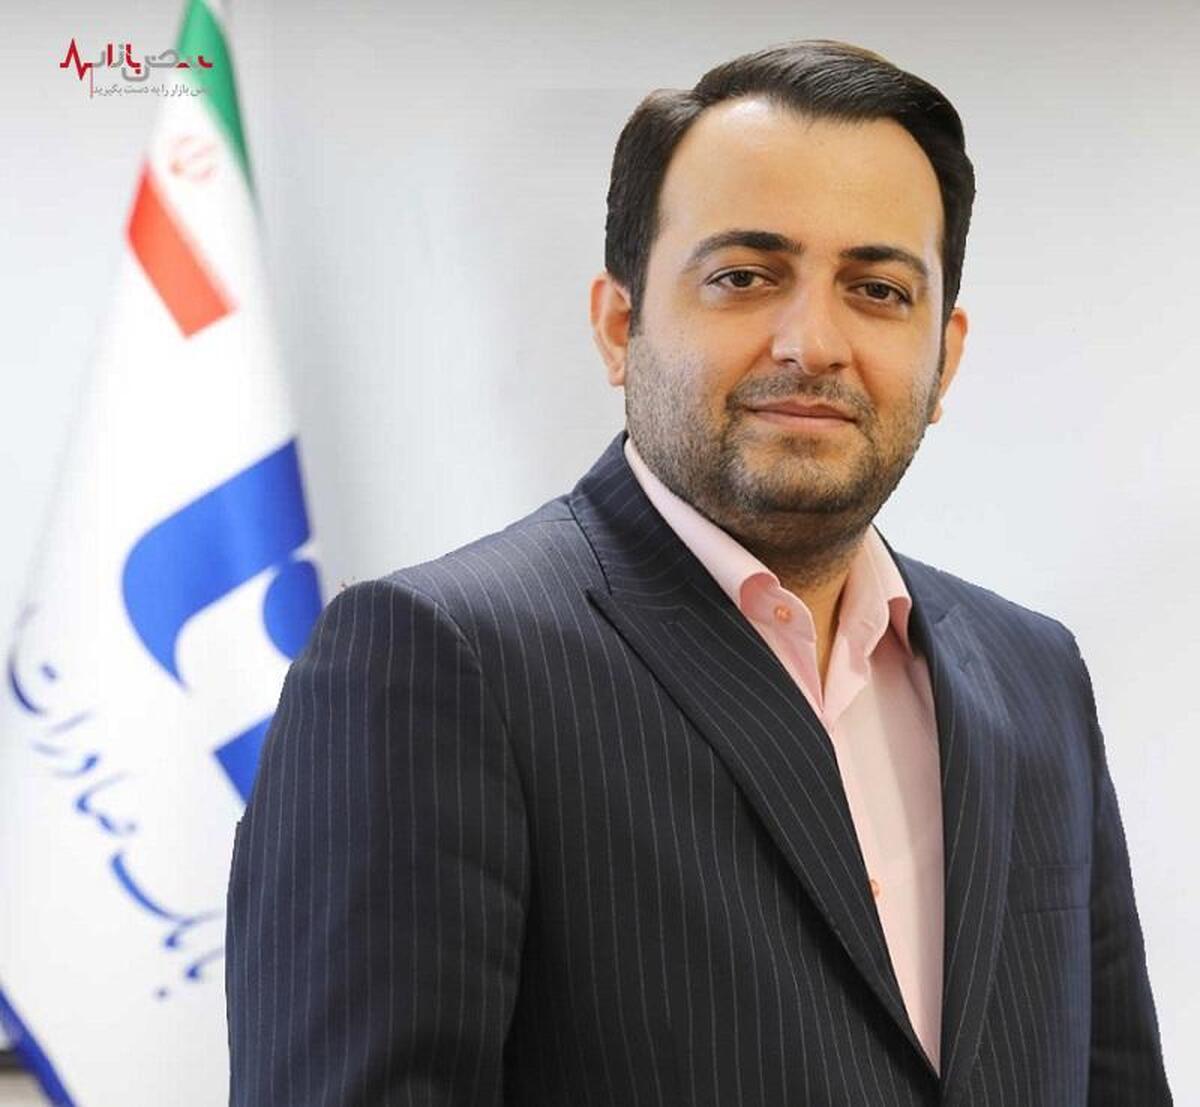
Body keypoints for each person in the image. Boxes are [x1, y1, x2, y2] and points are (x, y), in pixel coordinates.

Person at [226, 40, 1171, 1106]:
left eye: (877, 288)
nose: (812, 342)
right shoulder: (439, 663)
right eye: (743, 277)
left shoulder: (1034, 675)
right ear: (618, 325)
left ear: (944, 357)